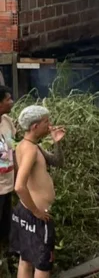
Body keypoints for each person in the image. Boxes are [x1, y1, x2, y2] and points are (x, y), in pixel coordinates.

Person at [11, 105, 65, 278]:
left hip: (24, 212)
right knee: (43, 263)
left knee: (26, 259)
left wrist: (57, 141)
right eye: (46, 122)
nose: (50, 125)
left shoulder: (28, 145)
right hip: (37, 216)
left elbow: (58, 162)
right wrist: (37, 212)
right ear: (35, 126)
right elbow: (19, 186)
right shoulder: (31, 150)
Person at [0, 87, 15, 253]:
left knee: (6, 221)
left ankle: (6, 254)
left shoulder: (7, 121)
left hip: (8, 182)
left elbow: (13, 148)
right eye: (8, 99)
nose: (12, 102)